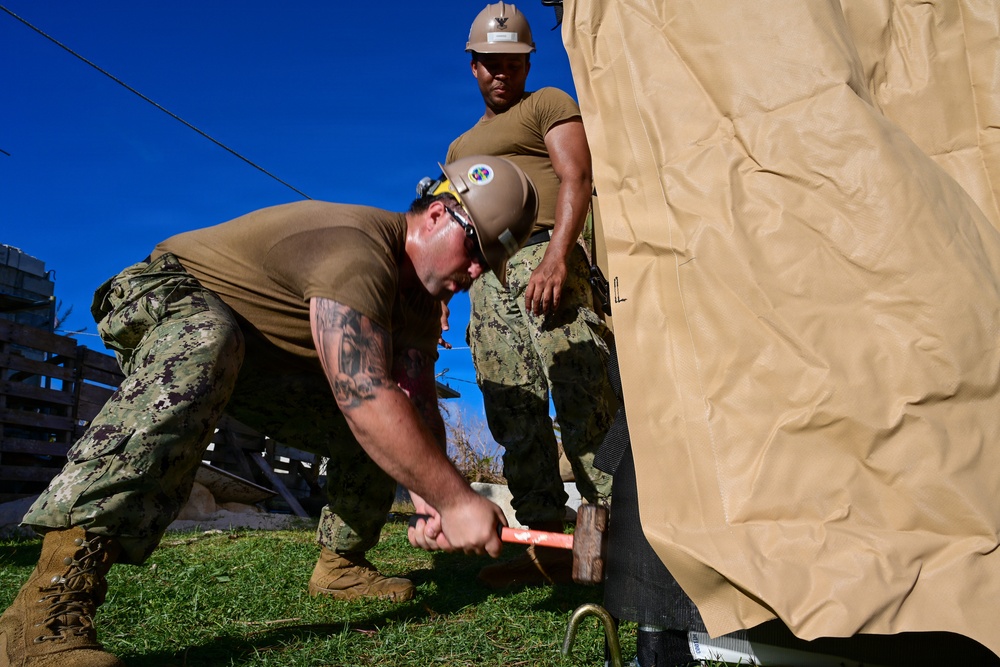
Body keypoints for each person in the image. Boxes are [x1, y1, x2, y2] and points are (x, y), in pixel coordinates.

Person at [0, 154, 537, 667]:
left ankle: (341, 565)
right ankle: (44, 609)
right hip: (165, 292)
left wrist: (433, 502)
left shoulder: (418, 302)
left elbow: (415, 405)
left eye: (487, 264)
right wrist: (458, 500)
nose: (473, 270)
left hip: (255, 360)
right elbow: (364, 392)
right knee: (211, 341)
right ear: (439, 213)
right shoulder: (359, 251)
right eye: (474, 248)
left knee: (385, 427)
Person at [446, 2, 616, 588]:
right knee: (512, 409)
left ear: (526, 63)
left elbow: (578, 177)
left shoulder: (547, 103)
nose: (501, 73)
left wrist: (557, 257)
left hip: (547, 258)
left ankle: (618, 535)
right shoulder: (458, 147)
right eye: (489, 63)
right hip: (487, 283)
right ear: (473, 66)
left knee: (581, 398)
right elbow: (455, 228)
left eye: (511, 62)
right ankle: (548, 541)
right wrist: (451, 296)